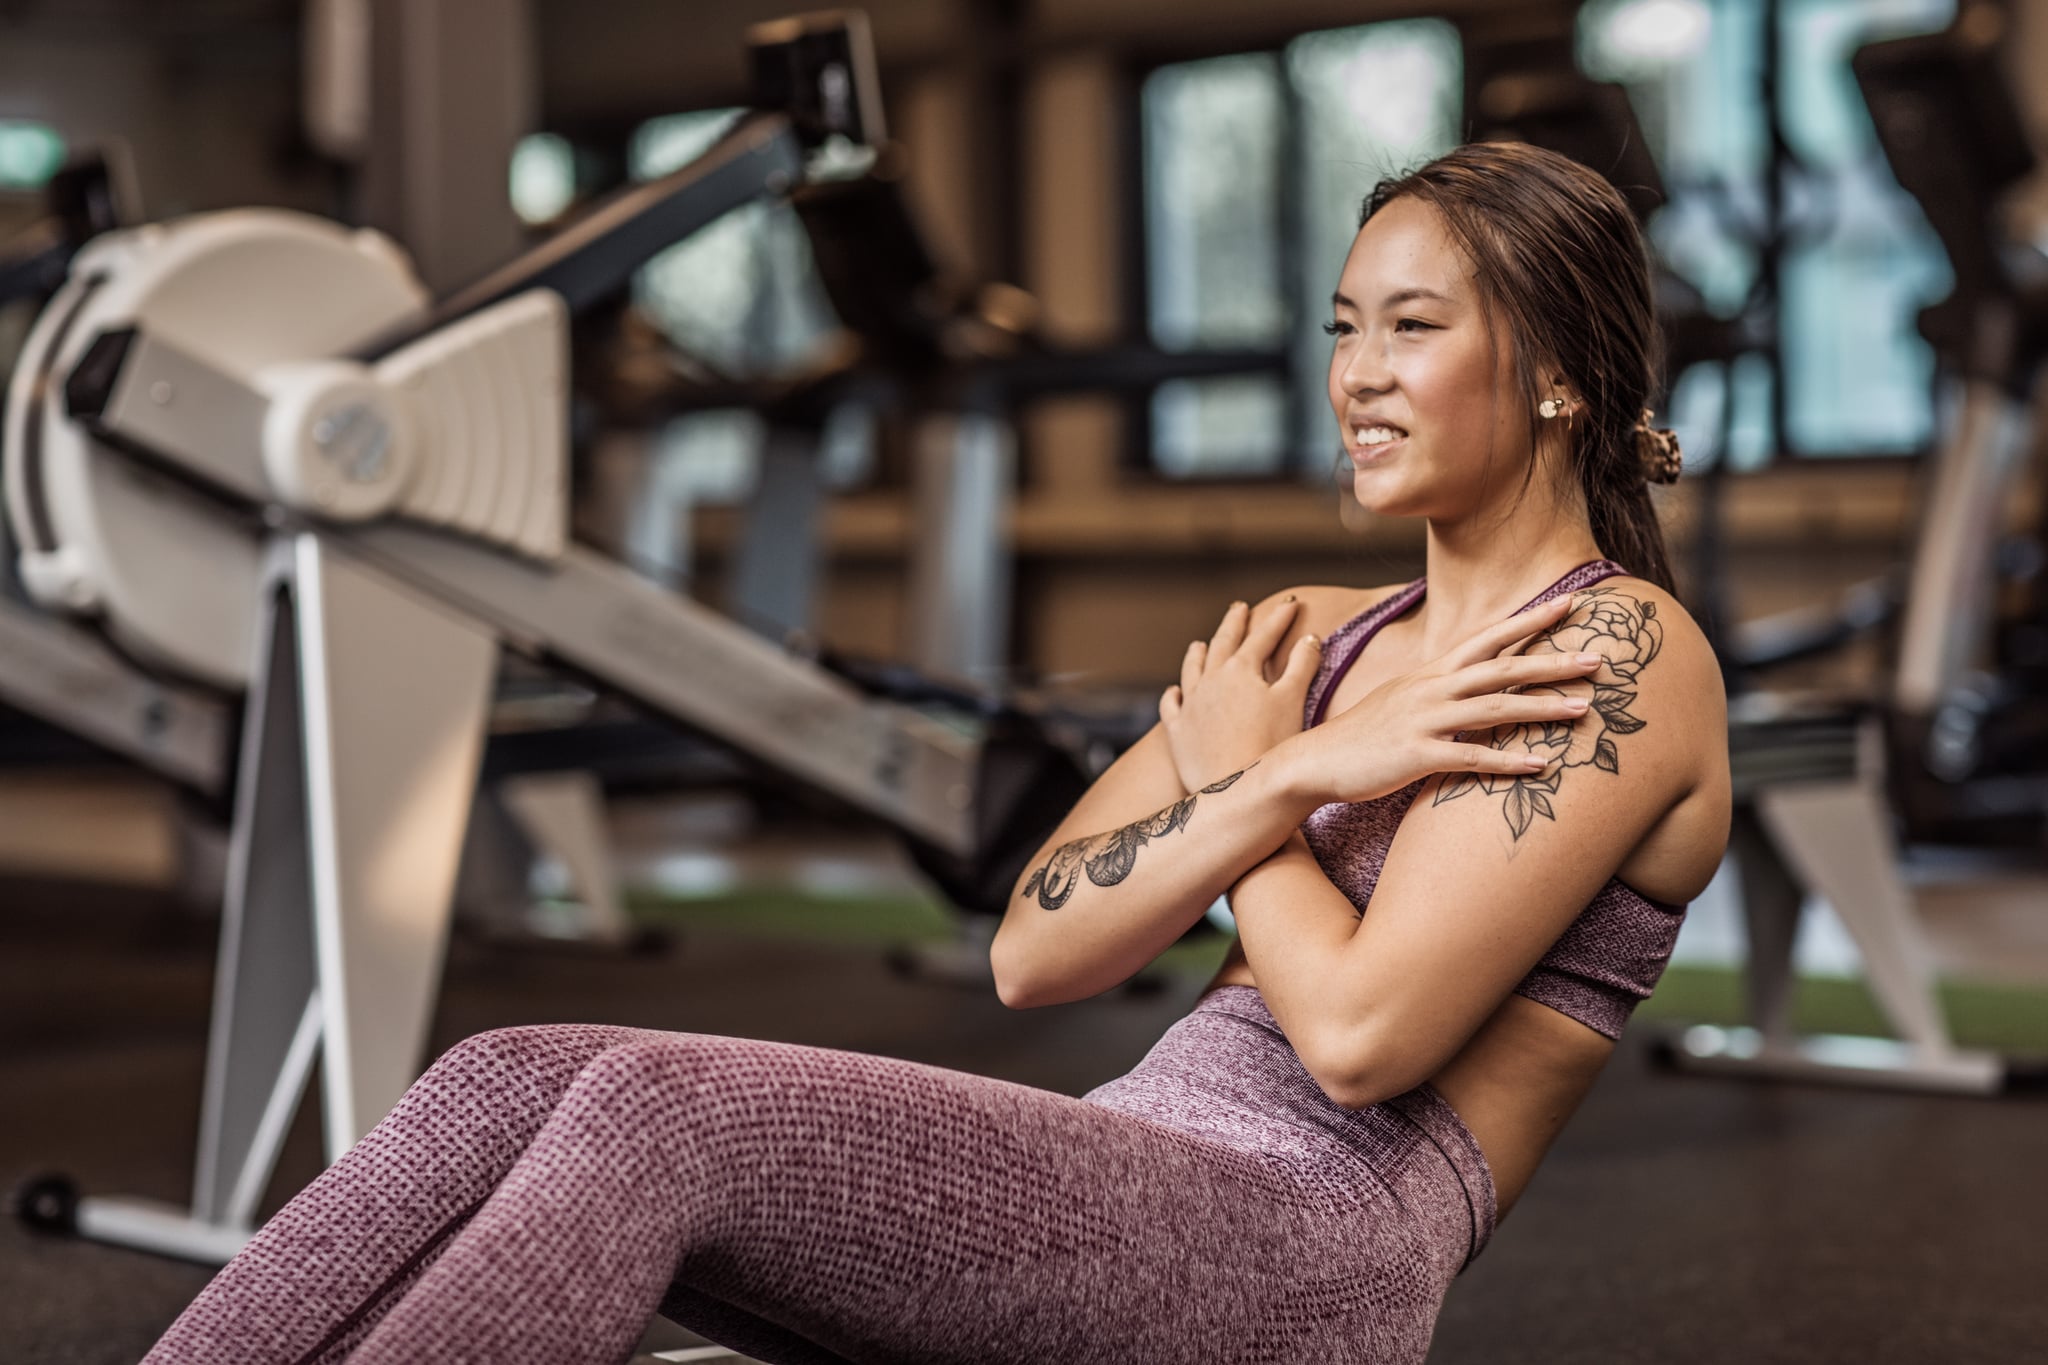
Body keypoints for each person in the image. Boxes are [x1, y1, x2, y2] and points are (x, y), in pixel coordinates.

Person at [141, 140, 1730, 1365]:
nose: (1357, 376)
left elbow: (1367, 1038)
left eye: (1411, 328)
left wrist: (1271, 787)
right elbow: (1035, 942)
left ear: (1557, 371)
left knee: (650, 1116)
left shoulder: (1622, 655)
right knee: (506, 1074)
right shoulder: (1314, 635)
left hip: (1311, 1244)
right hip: (1136, 1166)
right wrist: (1285, 767)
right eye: (1343, 328)